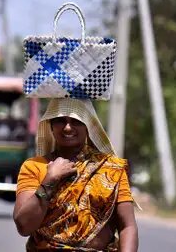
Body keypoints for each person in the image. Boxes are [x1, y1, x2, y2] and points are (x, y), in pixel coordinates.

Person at [13, 98, 138, 252]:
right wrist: (50, 179)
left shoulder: (111, 169)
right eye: (60, 121)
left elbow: (127, 226)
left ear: (89, 125)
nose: (68, 128)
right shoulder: (35, 167)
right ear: (51, 125)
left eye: (76, 121)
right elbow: (24, 226)